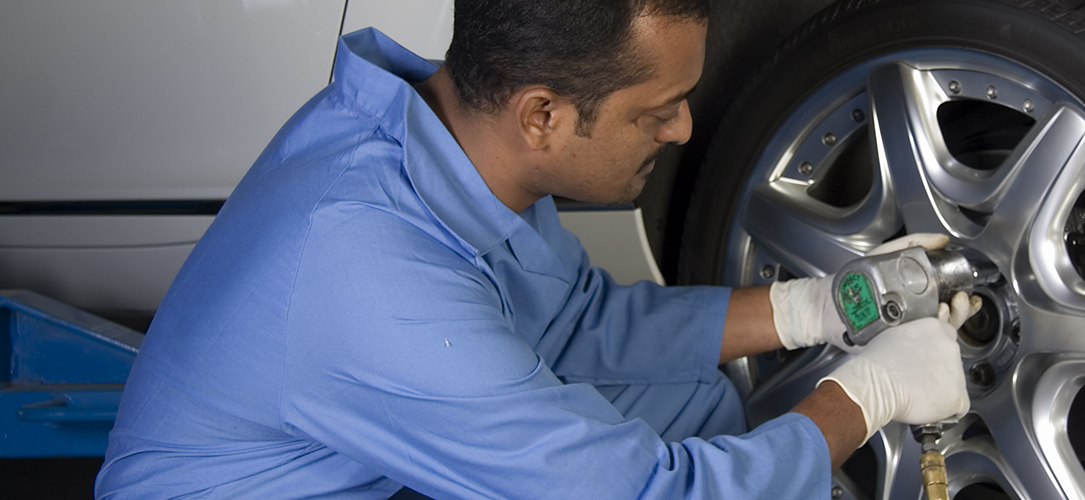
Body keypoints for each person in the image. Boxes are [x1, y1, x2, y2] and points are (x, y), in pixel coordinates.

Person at [95, 1, 974, 498]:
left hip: (360, 465)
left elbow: (575, 325)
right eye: (656, 109)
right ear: (543, 116)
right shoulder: (372, 278)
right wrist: (865, 396)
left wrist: (812, 310)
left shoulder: (446, 148)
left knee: (696, 403)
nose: (682, 128)